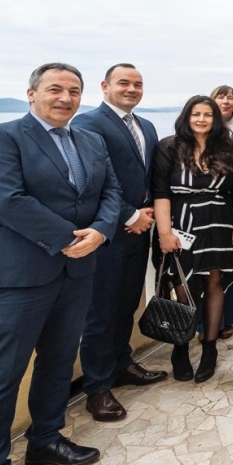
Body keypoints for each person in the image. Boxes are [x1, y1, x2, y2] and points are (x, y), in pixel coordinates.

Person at [0, 62, 122, 465]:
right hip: (14, 275)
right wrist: (71, 237)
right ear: (31, 94)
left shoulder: (90, 140)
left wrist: (102, 231)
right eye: (55, 89)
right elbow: (4, 200)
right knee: (0, 377)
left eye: (74, 91)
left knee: (57, 361)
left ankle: (46, 440)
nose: (65, 98)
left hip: (75, 273)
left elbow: (111, 191)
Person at [70, 63, 164, 424]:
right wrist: (129, 215)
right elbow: (94, 182)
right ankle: (97, 387)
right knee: (100, 312)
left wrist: (151, 212)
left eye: (137, 84)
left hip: (140, 232)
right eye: (123, 83)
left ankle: (123, 363)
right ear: (105, 86)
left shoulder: (146, 126)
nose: (131, 89)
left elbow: (149, 175)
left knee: (127, 304)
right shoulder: (89, 124)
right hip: (109, 233)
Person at [154, 95, 233, 383]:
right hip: (183, 222)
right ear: (187, 116)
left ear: (215, 119)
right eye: (196, 114)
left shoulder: (230, 147)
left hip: (219, 222)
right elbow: (161, 193)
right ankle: (180, 348)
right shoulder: (169, 147)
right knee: (183, 286)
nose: (201, 119)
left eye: (207, 114)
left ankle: (210, 348)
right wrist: (163, 233)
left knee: (214, 283)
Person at [209, 84, 233, 338]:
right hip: (206, 214)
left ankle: (230, 317)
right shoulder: (199, 131)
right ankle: (207, 322)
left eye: (230, 97)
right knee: (208, 270)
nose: (226, 101)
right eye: (221, 96)